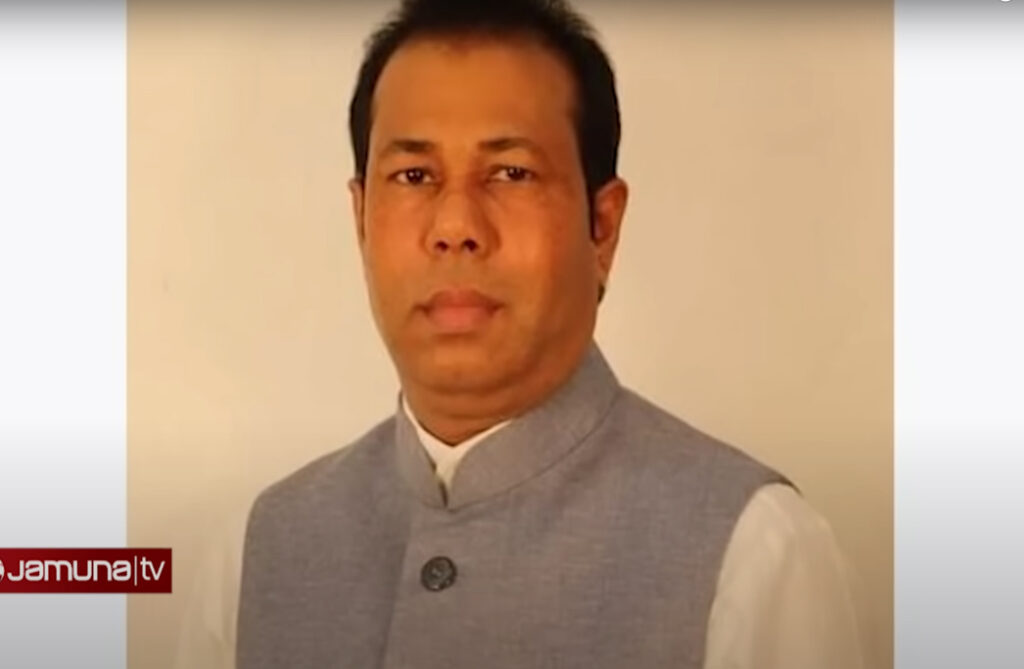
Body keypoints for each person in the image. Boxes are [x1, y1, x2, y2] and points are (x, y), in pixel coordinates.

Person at [174, 0, 870, 667]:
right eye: (414, 175)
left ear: (603, 227)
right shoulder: (252, 559)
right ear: (361, 219)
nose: (455, 226)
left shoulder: (754, 553)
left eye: (511, 172)